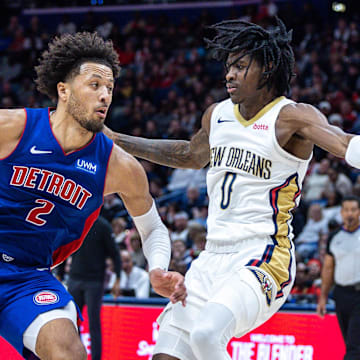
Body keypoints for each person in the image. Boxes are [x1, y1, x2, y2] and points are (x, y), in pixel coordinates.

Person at [104, 18, 360, 360]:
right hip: (211, 258)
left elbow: (344, 144)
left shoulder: (292, 117)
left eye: (240, 66)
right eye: (228, 67)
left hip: (265, 256)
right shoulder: (217, 114)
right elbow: (190, 154)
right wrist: (118, 139)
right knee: (166, 353)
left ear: (267, 68)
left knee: (208, 335)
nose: (229, 74)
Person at [0, 32, 186, 360]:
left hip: (28, 278)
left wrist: (157, 268)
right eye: (95, 85)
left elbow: (153, 227)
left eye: (110, 89)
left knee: (68, 351)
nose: (105, 96)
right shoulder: (13, 127)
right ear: (63, 90)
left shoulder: (118, 165)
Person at [67, 216, 121, 360]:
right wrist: (60, 273)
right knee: (71, 322)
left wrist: (118, 279)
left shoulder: (103, 225)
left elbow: (115, 254)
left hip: (94, 280)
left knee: (94, 323)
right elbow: (64, 247)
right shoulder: (76, 221)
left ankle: (96, 358)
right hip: (74, 278)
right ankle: (74, 356)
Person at [317, 196, 360, 359]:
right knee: (349, 341)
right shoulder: (334, 237)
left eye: (353, 210)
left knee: (354, 347)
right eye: (346, 210)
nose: (350, 214)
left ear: (359, 212)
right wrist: (322, 297)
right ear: (341, 213)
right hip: (341, 294)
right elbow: (328, 269)